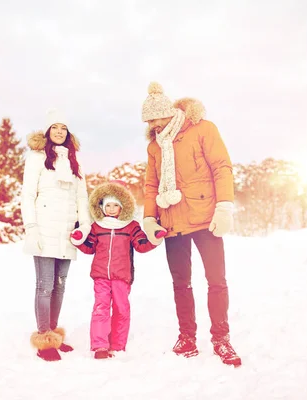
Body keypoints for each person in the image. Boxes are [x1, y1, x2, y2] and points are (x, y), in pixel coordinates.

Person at [140, 82, 242, 366]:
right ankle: (187, 337)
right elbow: (151, 184)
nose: (154, 125)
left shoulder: (203, 129)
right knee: (180, 283)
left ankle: (221, 339)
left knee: (216, 281)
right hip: (172, 222)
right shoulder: (155, 146)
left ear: (169, 113)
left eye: (157, 118)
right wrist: (149, 217)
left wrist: (224, 206)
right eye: (149, 121)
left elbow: (222, 166)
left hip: (205, 217)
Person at [21, 109, 91, 362]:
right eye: (55, 127)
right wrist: (31, 227)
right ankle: (44, 339)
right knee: (45, 285)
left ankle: (54, 334)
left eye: (64, 128)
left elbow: (82, 196)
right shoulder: (37, 157)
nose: (59, 131)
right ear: (48, 131)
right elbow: (28, 195)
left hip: (66, 232)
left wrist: (84, 224)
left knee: (60, 287)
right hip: (44, 228)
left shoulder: (75, 162)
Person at [70, 180, 158, 359]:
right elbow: (89, 247)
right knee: (101, 308)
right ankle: (100, 346)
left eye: (115, 205)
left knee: (121, 309)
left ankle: (118, 345)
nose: (110, 209)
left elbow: (141, 245)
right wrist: (78, 239)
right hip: (100, 276)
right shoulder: (97, 226)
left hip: (122, 276)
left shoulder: (131, 226)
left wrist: (155, 239)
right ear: (101, 206)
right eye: (107, 205)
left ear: (122, 207)